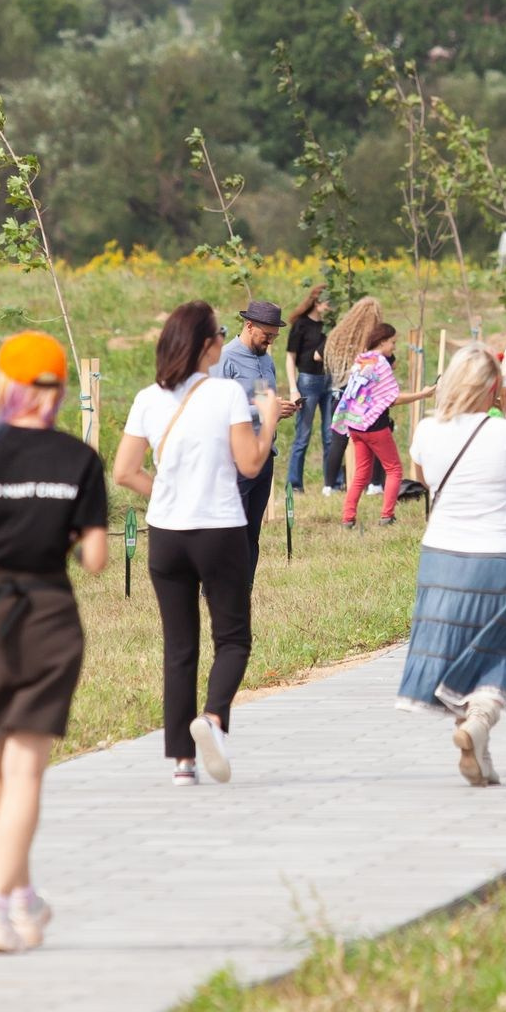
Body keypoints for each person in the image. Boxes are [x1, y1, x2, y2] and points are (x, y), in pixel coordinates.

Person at [0, 332, 110, 956]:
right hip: (47, 614)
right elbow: (94, 560)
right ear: (60, 389)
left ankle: (19, 895)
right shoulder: (78, 460)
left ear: (5, 384)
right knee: (26, 766)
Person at [112, 300, 294, 789]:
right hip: (219, 529)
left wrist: (168, 493)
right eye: (217, 335)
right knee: (232, 638)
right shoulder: (226, 395)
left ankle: (182, 763)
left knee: (179, 647)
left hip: (166, 535)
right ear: (208, 345)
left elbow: (124, 471)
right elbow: (252, 463)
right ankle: (212, 720)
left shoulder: (147, 398)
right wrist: (270, 416)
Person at [397, 349, 506, 787]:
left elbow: (425, 476)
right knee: (502, 651)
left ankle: (477, 747)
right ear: (495, 389)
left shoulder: (428, 430)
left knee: (458, 651)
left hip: (441, 559)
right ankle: (480, 720)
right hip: (497, 559)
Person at [331, 322, 432, 526]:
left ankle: (348, 517)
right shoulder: (381, 363)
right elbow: (392, 398)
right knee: (394, 469)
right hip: (375, 425)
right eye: (393, 342)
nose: (394, 347)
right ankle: (387, 515)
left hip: (356, 424)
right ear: (383, 341)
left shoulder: (361, 360)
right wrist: (423, 394)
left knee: (361, 472)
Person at [214, 301, 286, 533]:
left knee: (252, 534)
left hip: (264, 455)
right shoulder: (225, 359)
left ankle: (248, 572)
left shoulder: (266, 360)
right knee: (234, 534)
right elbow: (218, 412)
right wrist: (266, 410)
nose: (270, 341)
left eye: (275, 336)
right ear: (249, 325)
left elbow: (260, 400)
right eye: (267, 335)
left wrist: (279, 411)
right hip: (235, 459)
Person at [284, 287, 341, 496]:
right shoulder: (301, 325)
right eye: (328, 303)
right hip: (308, 381)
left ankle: (332, 482)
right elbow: (290, 357)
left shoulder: (331, 326)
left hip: (330, 380)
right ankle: (295, 483)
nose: (332, 307)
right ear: (317, 303)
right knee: (303, 435)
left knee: (330, 434)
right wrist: (293, 389)